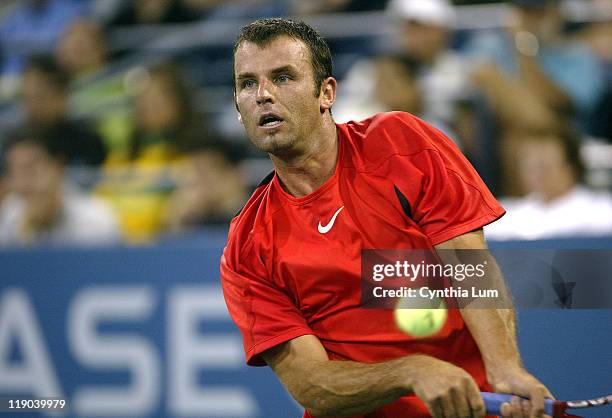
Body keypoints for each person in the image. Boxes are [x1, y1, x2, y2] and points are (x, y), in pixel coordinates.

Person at [220, 18, 551, 418]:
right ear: (238, 108)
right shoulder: (247, 246)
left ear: (326, 93)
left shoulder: (402, 143)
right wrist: (411, 372)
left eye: (283, 77)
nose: (263, 95)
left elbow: (468, 266)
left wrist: (506, 369)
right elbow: (311, 384)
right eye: (247, 83)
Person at [485, 127, 612, 240]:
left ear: (570, 166)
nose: (536, 172)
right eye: (529, 164)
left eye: (544, 164)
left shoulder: (601, 212)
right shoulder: (508, 215)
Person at [0, 129, 120, 247]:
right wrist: (25, 231)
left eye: (31, 170)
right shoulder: (9, 215)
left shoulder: (96, 219)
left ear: (57, 167)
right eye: (15, 173)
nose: (23, 183)